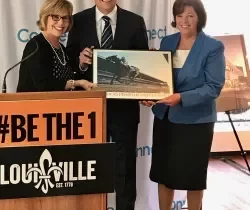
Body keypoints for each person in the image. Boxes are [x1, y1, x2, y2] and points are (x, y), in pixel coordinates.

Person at [141, 0, 225, 209]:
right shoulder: (167, 42)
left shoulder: (212, 47)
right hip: (165, 118)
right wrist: (149, 95)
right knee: (164, 174)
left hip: (195, 122)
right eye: (179, 15)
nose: (184, 21)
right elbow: (161, 80)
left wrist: (181, 98)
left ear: (199, 18)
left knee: (193, 178)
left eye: (190, 15)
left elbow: (213, 87)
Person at [66, 1, 149, 210]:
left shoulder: (135, 22)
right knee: (89, 168)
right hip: (89, 109)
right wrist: (81, 62)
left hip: (125, 111)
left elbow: (143, 62)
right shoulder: (77, 20)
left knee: (125, 170)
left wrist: (148, 92)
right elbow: (68, 61)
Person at [16, 0, 94, 92]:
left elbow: (67, 79)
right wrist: (78, 83)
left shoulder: (61, 49)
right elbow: (43, 85)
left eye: (65, 18)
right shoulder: (35, 46)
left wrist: (82, 65)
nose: (61, 23)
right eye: (55, 17)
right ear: (45, 17)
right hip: (34, 105)